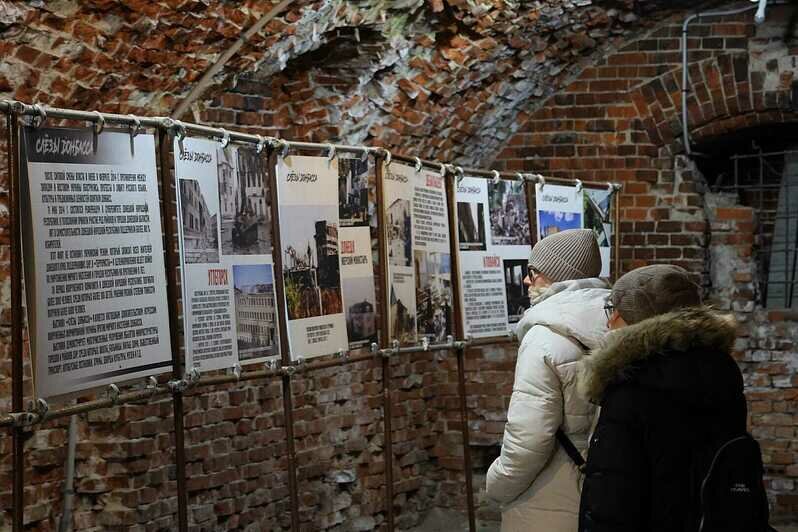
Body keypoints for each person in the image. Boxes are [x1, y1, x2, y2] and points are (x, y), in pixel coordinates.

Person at [577, 264, 749, 532]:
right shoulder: (721, 371)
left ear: (639, 318)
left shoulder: (631, 386)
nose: (610, 321)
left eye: (615, 311)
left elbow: (613, 493)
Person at [486, 228, 609, 531]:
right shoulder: (619, 321)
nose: (527, 280)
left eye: (533, 272)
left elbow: (529, 438)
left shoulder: (544, 337)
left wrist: (497, 484)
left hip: (550, 497)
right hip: (607, 486)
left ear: (557, 274)